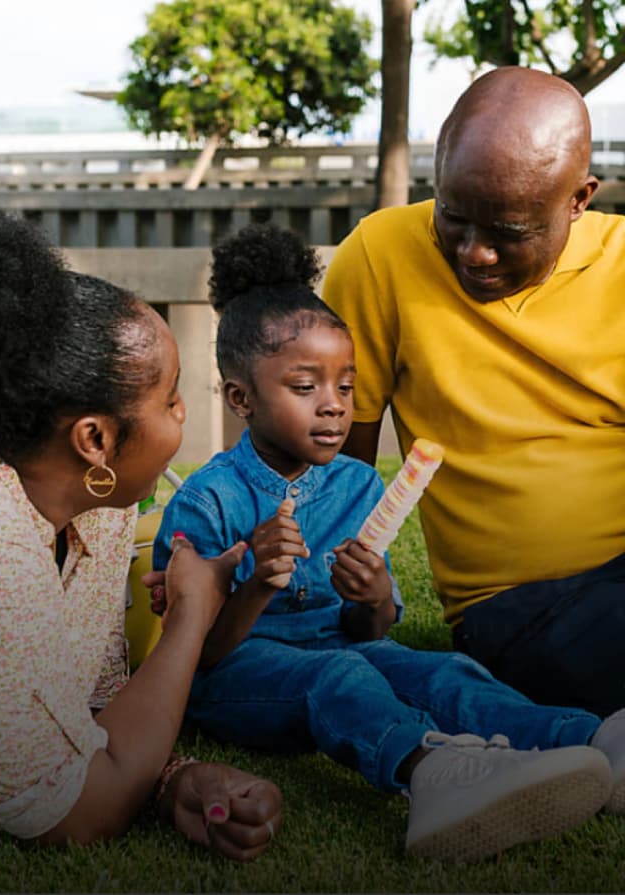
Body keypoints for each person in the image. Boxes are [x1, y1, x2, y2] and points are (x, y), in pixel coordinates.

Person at [154, 222, 625, 864]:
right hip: (236, 681)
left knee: (439, 671)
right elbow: (198, 657)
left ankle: (589, 741)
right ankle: (431, 773)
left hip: (344, 649)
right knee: (340, 673)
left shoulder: (355, 485)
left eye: (346, 387)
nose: (334, 406)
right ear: (242, 398)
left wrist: (372, 597)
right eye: (305, 388)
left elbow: (368, 630)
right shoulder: (208, 500)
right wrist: (259, 582)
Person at [322, 65, 625, 719]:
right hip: (517, 606)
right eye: (453, 218)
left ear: (579, 200)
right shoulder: (380, 256)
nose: (474, 253)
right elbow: (333, 469)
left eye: (508, 232)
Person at [0, 211, 281, 859]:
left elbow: (84, 716)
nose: (184, 414)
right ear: (95, 438)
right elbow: (68, 815)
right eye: (170, 400)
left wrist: (174, 779)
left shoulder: (101, 499)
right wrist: (191, 615)